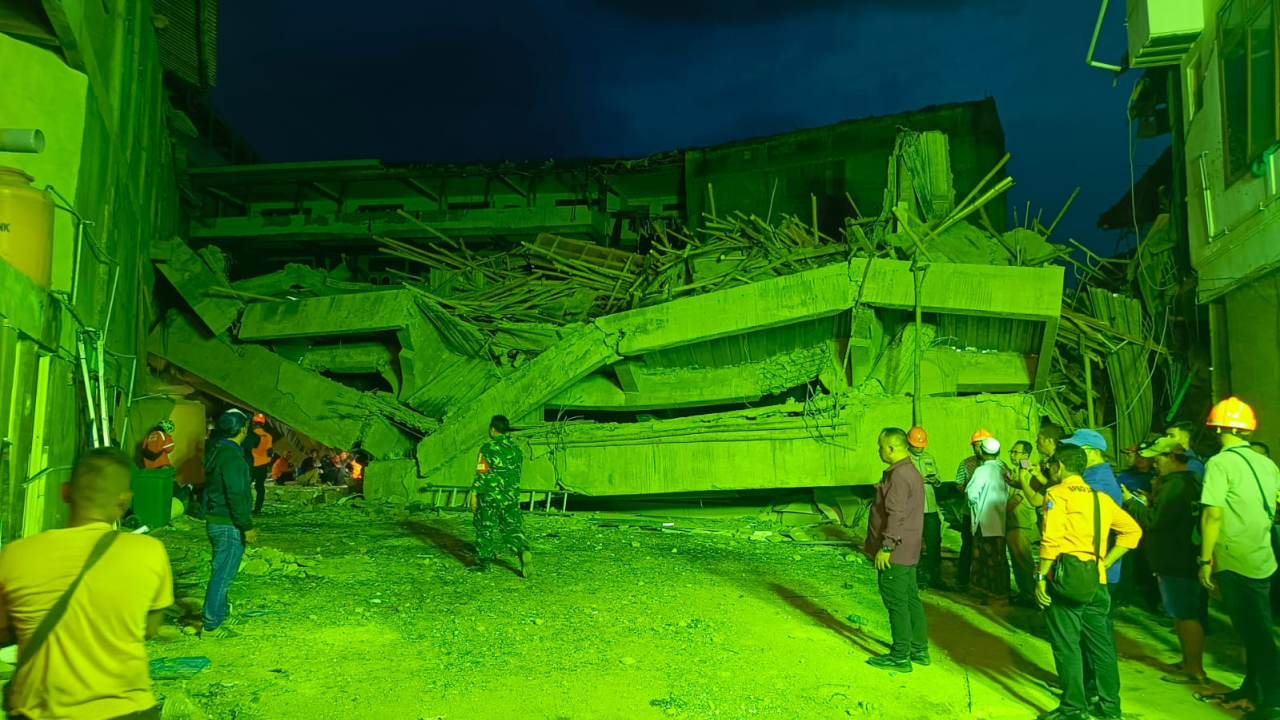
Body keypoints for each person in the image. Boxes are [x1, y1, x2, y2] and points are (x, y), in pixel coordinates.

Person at [0, 448, 173, 720]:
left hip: (39, 711)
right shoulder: (150, 552)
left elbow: (5, 633)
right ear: (125, 500)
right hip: (127, 709)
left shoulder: (14, 555)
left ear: (65, 492)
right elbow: (149, 629)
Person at [1036, 445, 1142, 720]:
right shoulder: (1101, 499)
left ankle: (1073, 708)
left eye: (1050, 465)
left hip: (1066, 579)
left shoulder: (1057, 494)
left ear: (1058, 466)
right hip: (1097, 580)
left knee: (1067, 645)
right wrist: (1104, 561)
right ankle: (1110, 709)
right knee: (1102, 647)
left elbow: (1051, 540)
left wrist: (1040, 578)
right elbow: (1132, 531)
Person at [1197, 397, 1280, 719]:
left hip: (1235, 557)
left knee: (1255, 634)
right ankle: (1253, 689)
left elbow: (1212, 515)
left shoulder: (1220, 463)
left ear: (1216, 427)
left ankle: (1273, 702)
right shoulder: (1266, 463)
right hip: (1262, 556)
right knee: (1257, 626)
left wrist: (1205, 560)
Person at [1121, 438, 1206, 685]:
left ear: (1170, 458)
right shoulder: (1190, 481)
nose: (1154, 465)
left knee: (1186, 614)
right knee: (1180, 614)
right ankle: (1188, 661)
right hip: (1180, 556)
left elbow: (1154, 520)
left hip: (1175, 558)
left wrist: (1130, 503)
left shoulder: (1174, 485)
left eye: (1157, 459)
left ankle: (1195, 669)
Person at [864, 427, 928, 672]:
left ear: (891, 448)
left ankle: (900, 655)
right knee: (911, 599)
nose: (879, 450)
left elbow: (896, 514)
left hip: (897, 551)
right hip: (909, 549)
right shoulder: (909, 471)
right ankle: (918, 650)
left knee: (896, 602)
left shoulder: (899, 476)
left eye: (881, 446)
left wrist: (887, 546)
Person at [201, 410, 258, 638]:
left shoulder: (218, 450)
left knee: (220, 569)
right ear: (243, 429)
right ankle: (211, 624)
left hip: (217, 520)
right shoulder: (232, 457)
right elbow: (235, 493)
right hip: (228, 524)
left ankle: (221, 613)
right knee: (223, 575)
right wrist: (246, 525)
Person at [469, 415, 532, 577]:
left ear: (492, 429)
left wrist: (474, 495)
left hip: (490, 497)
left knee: (485, 528)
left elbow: (481, 473)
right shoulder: (516, 449)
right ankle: (522, 548)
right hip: (510, 496)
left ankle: (484, 563)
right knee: (512, 527)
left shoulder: (487, 448)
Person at [949, 429, 995, 591]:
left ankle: (988, 582)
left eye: (982, 445)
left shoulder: (998, 465)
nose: (979, 449)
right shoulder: (966, 464)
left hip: (990, 515)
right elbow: (959, 483)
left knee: (989, 548)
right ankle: (963, 580)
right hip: (970, 513)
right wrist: (971, 496)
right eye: (976, 446)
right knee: (968, 546)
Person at [966, 437, 1010, 605]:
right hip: (1000, 520)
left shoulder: (981, 471)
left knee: (986, 560)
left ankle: (991, 595)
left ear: (982, 452)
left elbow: (971, 495)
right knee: (999, 558)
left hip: (984, 522)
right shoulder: (1004, 469)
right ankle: (1001, 594)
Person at [906, 426, 945, 590]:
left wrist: (934, 480)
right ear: (909, 443)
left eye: (922, 446)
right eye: (916, 445)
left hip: (930, 508)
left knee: (934, 543)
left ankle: (936, 576)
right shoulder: (905, 460)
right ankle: (918, 575)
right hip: (913, 508)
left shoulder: (928, 458)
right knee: (915, 544)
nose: (920, 448)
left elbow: (939, 479)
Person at [1005, 440, 1042, 606]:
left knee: (1023, 561)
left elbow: (1018, 496)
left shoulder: (1027, 470)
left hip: (1020, 521)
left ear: (1025, 455)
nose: (1012, 455)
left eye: (1015, 452)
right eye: (1011, 452)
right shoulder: (1017, 470)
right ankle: (1025, 592)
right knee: (1018, 560)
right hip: (1014, 521)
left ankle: (1029, 595)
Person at [246, 414, 273, 515]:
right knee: (260, 487)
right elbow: (269, 451)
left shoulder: (250, 435)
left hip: (251, 464)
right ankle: (258, 509)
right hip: (263, 465)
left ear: (253, 423)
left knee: (245, 486)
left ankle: (245, 507)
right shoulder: (268, 436)